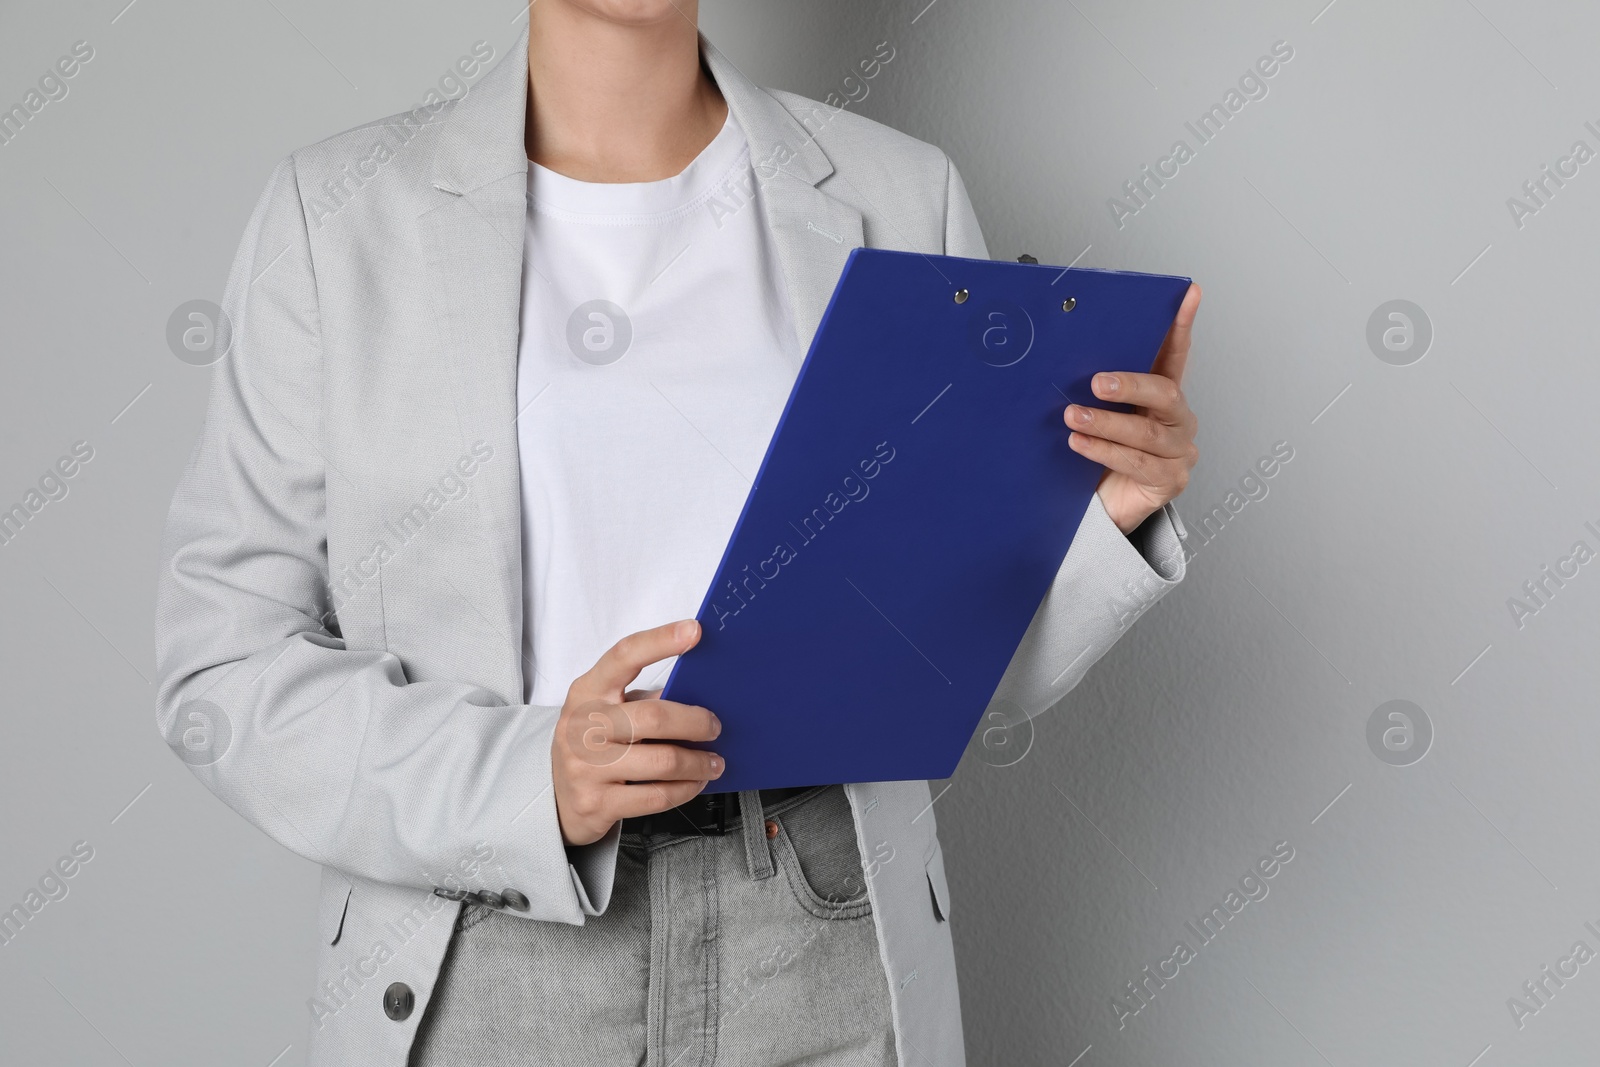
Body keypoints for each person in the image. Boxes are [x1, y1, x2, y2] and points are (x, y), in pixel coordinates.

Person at [154, 1, 1200, 1064]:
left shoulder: (900, 192)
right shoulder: (333, 217)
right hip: (488, 934)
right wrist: (526, 776)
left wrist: (1097, 521)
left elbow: (950, 663)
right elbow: (224, 666)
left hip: (816, 920)